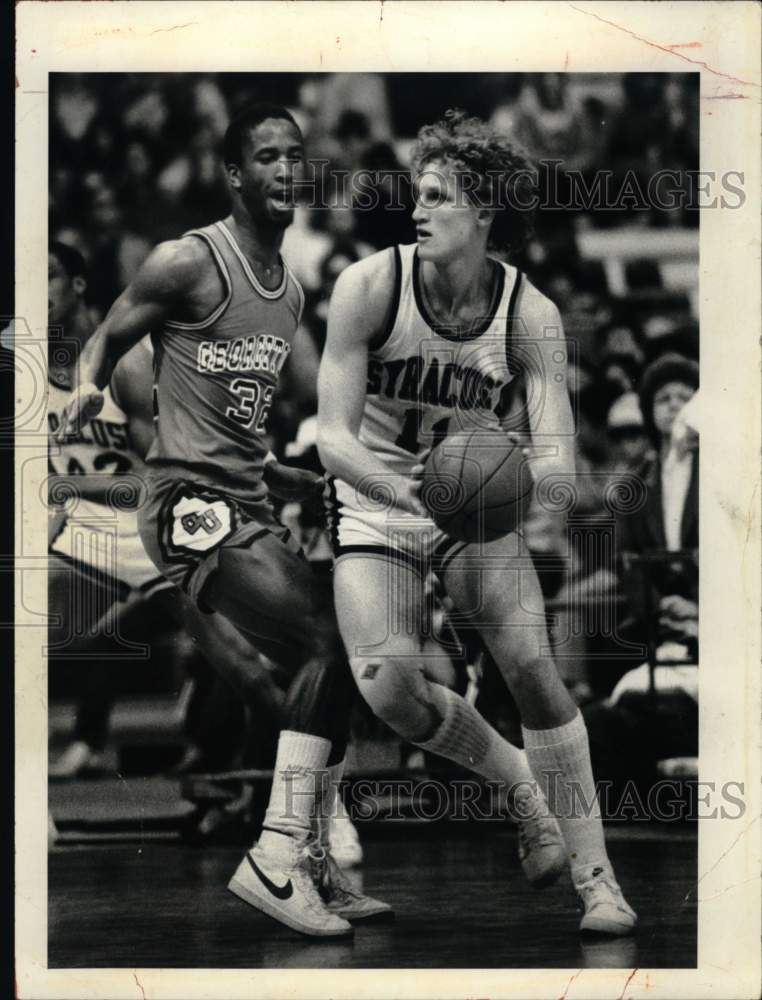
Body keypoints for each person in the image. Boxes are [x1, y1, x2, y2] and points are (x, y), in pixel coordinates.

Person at [57, 104, 389, 938]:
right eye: (266, 157)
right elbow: (105, 335)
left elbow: (235, 433)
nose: (285, 169)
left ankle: (305, 854)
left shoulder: (289, 295)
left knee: (327, 671)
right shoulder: (188, 262)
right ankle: (277, 860)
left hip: (243, 501)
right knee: (326, 642)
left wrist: (287, 473)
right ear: (236, 175)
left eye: (295, 156)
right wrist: (89, 385)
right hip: (184, 509)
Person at [317, 110, 637, 935]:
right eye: (415, 195)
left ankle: (598, 877)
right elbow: (333, 438)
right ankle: (521, 788)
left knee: (530, 661)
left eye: (436, 196)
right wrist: (411, 493)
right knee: (387, 685)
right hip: (379, 494)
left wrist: (488, 485)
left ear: (484, 210)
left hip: (474, 502)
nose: (416, 211)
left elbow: (561, 464)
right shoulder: (369, 285)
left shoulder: (531, 316)